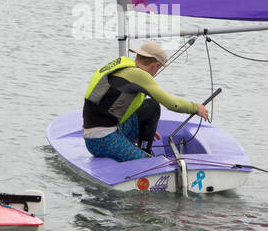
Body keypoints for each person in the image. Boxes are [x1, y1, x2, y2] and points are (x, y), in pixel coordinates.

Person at [82, 41, 210, 162]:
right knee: (148, 163)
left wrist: (146, 128)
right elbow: (173, 104)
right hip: (102, 139)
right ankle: (144, 155)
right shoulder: (139, 75)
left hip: (99, 132)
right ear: (156, 65)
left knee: (151, 106)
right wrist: (196, 108)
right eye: (158, 69)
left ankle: (144, 149)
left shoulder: (124, 67)